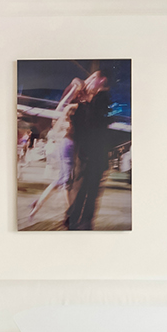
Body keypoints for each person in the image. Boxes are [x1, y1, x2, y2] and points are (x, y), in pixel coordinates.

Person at [64, 64, 112, 230]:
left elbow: (94, 124)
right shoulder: (92, 101)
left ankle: (78, 222)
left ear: (102, 80)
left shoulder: (102, 101)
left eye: (93, 78)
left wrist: (84, 103)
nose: (88, 81)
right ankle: (77, 221)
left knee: (85, 192)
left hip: (90, 157)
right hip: (88, 156)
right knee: (85, 192)